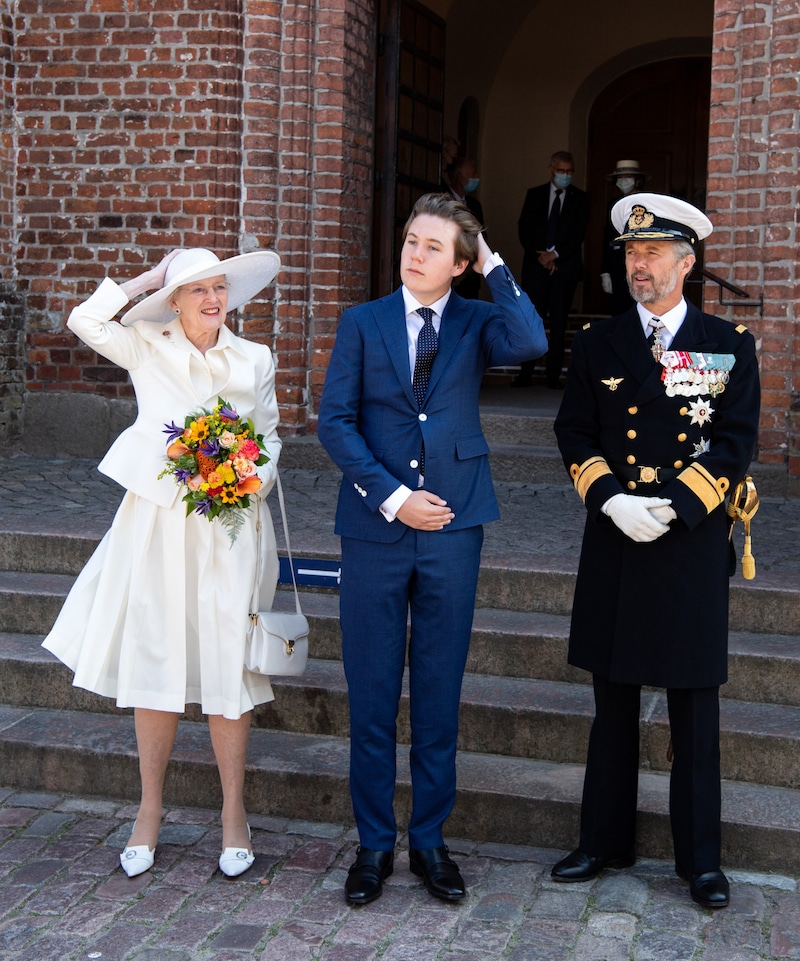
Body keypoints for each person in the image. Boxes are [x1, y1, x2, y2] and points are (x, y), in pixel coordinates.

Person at [317, 192, 547, 906]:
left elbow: (534, 341)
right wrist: (392, 497)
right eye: (411, 240)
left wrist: (496, 265)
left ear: (459, 263)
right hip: (376, 528)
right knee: (374, 691)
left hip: (455, 522)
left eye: (432, 246)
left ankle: (430, 842)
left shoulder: (481, 320)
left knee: (440, 691)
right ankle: (374, 845)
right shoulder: (362, 322)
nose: (415, 253)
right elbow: (335, 422)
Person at [42, 247, 283, 879]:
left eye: (218, 288)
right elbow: (85, 323)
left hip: (230, 528)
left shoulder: (254, 358)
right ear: (173, 302)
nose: (210, 299)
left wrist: (249, 475)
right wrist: (150, 278)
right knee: (156, 649)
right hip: (157, 521)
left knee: (229, 657)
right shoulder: (147, 342)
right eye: (195, 290)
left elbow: (272, 434)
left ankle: (235, 814)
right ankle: (148, 811)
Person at [551, 194, 761, 909]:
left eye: (652, 254)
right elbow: (575, 430)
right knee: (611, 698)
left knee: (694, 710)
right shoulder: (600, 342)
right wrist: (611, 497)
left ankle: (700, 860)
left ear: (686, 262)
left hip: (689, 545)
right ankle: (603, 839)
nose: (638, 266)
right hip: (615, 536)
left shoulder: (725, 341)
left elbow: (735, 441)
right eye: (631, 255)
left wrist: (675, 504)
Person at [514, 150, 590, 388]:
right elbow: (524, 228)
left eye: (569, 171)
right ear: (551, 170)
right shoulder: (534, 194)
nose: (565, 175)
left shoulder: (580, 198)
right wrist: (542, 256)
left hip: (563, 269)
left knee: (559, 323)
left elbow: (578, 233)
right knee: (531, 321)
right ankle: (525, 373)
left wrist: (555, 255)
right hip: (536, 268)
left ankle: (553, 376)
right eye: (561, 170)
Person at [600, 160, 647, 315]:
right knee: (619, 312)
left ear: (637, 180)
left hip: (641, 263)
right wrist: (605, 271)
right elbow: (607, 237)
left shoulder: (646, 203)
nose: (623, 181)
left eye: (628, 177)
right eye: (620, 178)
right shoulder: (614, 204)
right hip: (617, 265)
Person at [447, 157, 484, 299]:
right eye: (473, 174)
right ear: (460, 176)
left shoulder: (475, 205)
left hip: (470, 277)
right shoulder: (442, 199)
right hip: (448, 272)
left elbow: (482, 237)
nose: (477, 178)